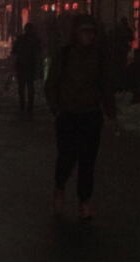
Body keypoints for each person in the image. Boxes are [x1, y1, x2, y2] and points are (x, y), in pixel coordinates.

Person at [44, 13, 116, 220]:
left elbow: (105, 85)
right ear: (76, 33)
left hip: (90, 115)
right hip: (68, 115)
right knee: (66, 158)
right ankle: (60, 188)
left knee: (87, 161)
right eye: (84, 32)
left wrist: (109, 109)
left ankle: (84, 200)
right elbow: (52, 84)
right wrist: (57, 109)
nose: (88, 37)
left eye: (91, 33)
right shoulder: (65, 55)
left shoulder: (98, 57)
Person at [12, 22, 44, 115]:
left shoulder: (20, 39)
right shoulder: (35, 40)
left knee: (22, 87)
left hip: (21, 66)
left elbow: (14, 52)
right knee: (30, 87)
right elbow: (39, 53)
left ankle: (22, 105)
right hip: (30, 66)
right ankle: (30, 106)